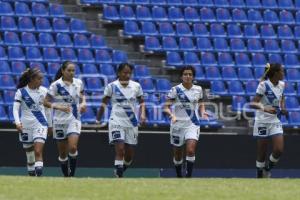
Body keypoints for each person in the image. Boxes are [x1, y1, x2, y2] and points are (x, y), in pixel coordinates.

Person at [96, 63, 146, 178]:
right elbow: (104, 103)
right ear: (119, 73)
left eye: (129, 73)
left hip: (131, 123)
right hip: (116, 121)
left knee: (129, 156)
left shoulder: (136, 86)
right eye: (125, 72)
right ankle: (119, 178)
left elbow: (142, 102)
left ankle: (120, 170)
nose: (127, 75)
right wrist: (98, 118)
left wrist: (142, 114)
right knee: (120, 150)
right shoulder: (111, 86)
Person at [164, 66, 208, 178]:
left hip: (192, 124)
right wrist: (172, 115)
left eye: (190, 74)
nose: (187, 76)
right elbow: (166, 107)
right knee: (178, 154)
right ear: (181, 76)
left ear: (193, 76)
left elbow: (201, 102)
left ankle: (188, 177)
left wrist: (203, 112)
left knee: (190, 150)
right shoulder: (175, 90)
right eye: (185, 74)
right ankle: (179, 176)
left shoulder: (198, 89)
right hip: (177, 125)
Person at [44, 61, 86, 177]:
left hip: (74, 119)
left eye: (73, 70)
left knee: (72, 147)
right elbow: (45, 102)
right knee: (63, 153)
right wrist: (58, 106)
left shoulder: (79, 83)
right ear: (63, 71)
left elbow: (82, 96)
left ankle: (72, 175)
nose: (72, 73)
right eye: (69, 70)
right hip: (59, 121)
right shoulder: (55, 85)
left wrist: (83, 104)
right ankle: (66, 176)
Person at [250, 63, 287, 178]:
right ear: (275, 73)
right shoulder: (263, 85)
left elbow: (282, 97)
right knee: (262, 152)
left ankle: (267, 169)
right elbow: (253, 103)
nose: (283, 73)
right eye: (281, 71)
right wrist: (265, 108)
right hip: (262, 121)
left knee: (279, 150)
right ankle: (259, 176)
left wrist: (283, 107)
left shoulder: (282, 84)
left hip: (275, 120)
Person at [13, 68, 52, 176]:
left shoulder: (44, 91)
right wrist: (17, 123)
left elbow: (48, 110)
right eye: (39, 79)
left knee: (38, 151)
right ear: (32, 79)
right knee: (29, 154)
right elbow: (15, 109)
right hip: (25, 125)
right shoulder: (21, 92)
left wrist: (50, 125)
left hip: (40, 123)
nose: (42, 81)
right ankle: (31, 177)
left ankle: (38, 176)